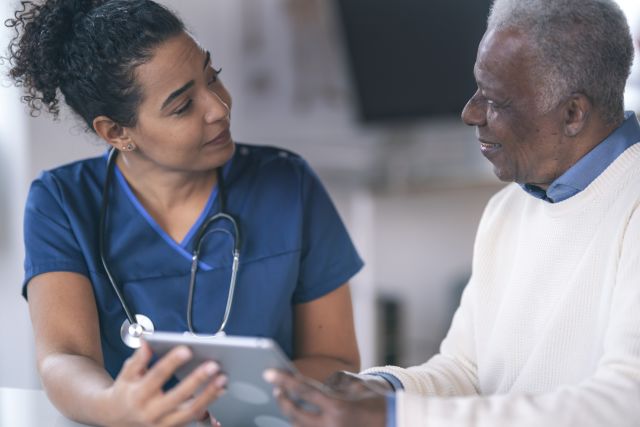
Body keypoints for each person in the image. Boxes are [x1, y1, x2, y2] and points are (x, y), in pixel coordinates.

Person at [265, 0, 640, 426]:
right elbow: (467, 369)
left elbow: (626, 403)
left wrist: (392, 416)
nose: (471, 113)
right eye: (477, 89)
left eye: (496, 100)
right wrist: (381, 389)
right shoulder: (510, 208)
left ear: (573, 113)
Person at [6, 0, 363, 425]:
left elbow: (336, 358)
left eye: (213, 78)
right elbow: (65, 358)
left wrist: (238, 400)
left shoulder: (289, 184)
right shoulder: (61, 202)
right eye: (182, 106)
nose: (218, 108)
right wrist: (115, 406)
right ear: (116, 132)